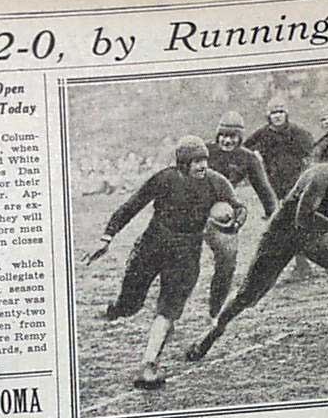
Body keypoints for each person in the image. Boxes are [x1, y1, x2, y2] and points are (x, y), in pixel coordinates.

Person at [185, 146, 328, 362]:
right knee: (249, 293)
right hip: (283, 234)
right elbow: (303, 218)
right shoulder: (320, 177)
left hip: (314, 234)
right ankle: (213, 331)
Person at [83, 135, 247, 389]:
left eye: (204, 159)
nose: (202, 165)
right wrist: (107, 238)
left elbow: (239, 207)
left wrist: (235, 221)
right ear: (183, 164)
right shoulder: (165, 179)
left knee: (169, 309)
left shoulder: (216, 182)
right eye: (195, 161)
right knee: (131, 305)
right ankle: (117, 308)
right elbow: (131, 206)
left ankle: (149, 365)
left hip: (187, 251)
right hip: (153, 245)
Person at [205, 111, 278, 321]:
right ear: (217, 135)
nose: (227, 140)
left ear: (240, 138)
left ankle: (215, 309)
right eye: (223, 136)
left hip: (223, 213)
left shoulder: (248, 158)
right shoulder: (205, 152)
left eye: (233, 136)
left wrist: (273, 217)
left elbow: (265, 191)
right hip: (193, 210)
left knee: (227, 260)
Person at [244, 96, 315, 279]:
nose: (277, 116)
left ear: (286, 114)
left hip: (295, 184)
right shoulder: (262, 134)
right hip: (273, 187)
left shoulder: (297, 132)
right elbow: (244, 150)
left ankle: (302, 265)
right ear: (268, 115)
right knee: (276, 226)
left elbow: (311, 149)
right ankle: (271, 269)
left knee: (295, 223)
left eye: (280, 112)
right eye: (274, 112)